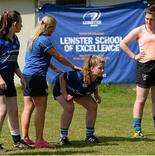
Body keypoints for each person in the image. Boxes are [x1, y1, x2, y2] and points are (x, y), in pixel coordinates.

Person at [21, 15, 81, 148]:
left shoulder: (32, 39)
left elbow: (39, 58)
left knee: (28, 107)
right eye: (53, 29)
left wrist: (54, 69)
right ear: (49, 27)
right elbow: (58, 56)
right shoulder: (44, 40)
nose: (53, 32)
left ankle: (24, 138)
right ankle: (39, 140)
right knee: (41, 108)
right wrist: (73, 66)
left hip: (26, 76)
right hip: (36, 78)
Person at [119, 3, 155, 138]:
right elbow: (122, 43)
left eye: (151, 19)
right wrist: (134, 56)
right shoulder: (139, 30)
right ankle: (137, 130)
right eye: (147, 19)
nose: (149, 21)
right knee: (140, 100)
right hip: (144, 67)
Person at [52, 55, 105, 146]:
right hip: (61, 88)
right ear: (91, 68)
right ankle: (63, 138)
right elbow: (62, 76)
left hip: (77, 92)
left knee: (92, 106)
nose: (103, 70)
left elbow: (94, 85)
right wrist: (65, 94)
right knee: (69, 107)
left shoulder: (98, 77)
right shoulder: (79, 75)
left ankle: (89, 136)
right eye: (100, 68)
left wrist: (96, 95)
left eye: (103, 68)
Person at [0, 10, 31, 152]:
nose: (22, 26)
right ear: (14, 23)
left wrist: (21, 76)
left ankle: (17, 141)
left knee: (13, 110)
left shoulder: (15, 40)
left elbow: (13, 62)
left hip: (9, 79)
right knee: (3, 110)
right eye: (20, 23)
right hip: (0, 80)